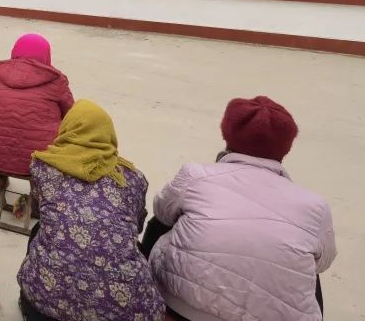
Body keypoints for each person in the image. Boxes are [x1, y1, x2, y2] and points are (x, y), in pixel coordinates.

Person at [145, 97, 335, 321]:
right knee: (306, 265)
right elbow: (324, 262)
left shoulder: (195, 175)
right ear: (286, 149)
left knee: (163, 221)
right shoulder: (315, 206)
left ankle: (147, 290)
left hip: (184, 308)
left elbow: (162, 211)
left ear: (227, 136)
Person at [17, 100, 163, 321]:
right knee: (131, 245)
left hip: (43, 309)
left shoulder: (43, 167)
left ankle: (32, 293)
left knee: (40, 230)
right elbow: (137, 226)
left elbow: (40, 209)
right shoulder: (132, 179)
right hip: (123, 314)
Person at [0, 33, 73, 194]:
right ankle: (38, 196)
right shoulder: (57, 82)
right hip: (38, 158)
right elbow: (71, 116)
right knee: (56, 142)